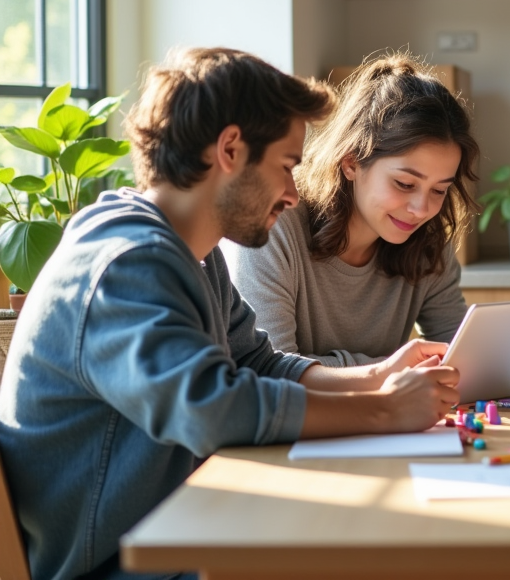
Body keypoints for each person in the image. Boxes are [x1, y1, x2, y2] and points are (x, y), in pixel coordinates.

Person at [0, 48, 460, 580]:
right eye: (286, 166)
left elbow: (262, 364)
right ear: (231, 150)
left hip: (174, 535)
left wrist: (374, 379)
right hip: (119, 565)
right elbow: (209, 408)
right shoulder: (126, 260)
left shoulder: (194, 256)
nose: (293, 193)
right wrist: (383, 412)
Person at [224, 54, 479, 366]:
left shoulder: (428, 238)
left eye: (440, 189)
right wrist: (387, 369)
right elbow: (270, 373)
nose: (422, 209)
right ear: (351, 163)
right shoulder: (275, 224)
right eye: (404, 183)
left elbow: (459, 355)